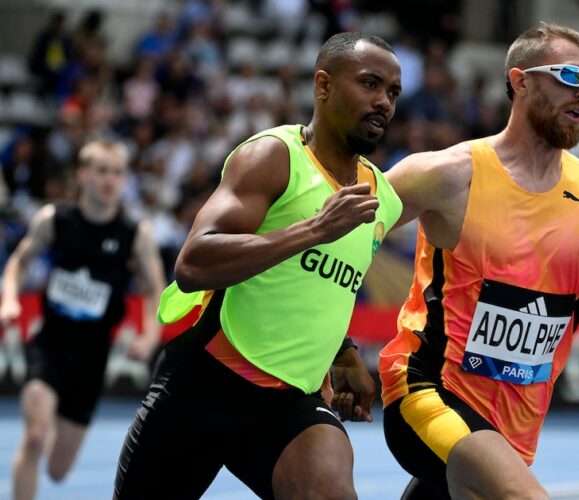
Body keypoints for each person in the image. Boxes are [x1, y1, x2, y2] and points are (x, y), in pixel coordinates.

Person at [379, 23, 579, 499]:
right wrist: (338, 351)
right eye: (569, 77)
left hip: (513, 429)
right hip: (427, 390)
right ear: (520, 81)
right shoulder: (447, 175)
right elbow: (335, 238)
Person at [113, 32, 403, 499]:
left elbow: (319, 283)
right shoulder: (274, 157)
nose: (383, 102)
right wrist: (311, 230)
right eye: (370, 83)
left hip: (289, 404)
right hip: (204, 384)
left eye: (392, 92)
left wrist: (342, 352)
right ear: (323, 85)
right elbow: (193, 262)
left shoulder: (382, 198)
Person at [0, 138, 166, 500]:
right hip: (49, 344)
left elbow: (157, 290)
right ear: (84, 175)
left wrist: (150, 335)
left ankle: (57, 427)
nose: (109, 179)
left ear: (124, 180)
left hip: (92, 358)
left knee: (58, 471)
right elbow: (18, 262)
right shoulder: (54, 219)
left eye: (118, 173)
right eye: (102, 171)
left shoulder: (135, 234)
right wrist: (10, 299)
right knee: (34, 437)